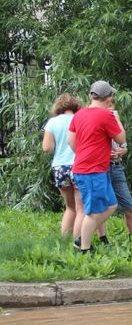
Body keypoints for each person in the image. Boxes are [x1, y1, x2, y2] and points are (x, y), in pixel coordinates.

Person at [67, 81, 127, 254]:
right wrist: (116, 118)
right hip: (91, 171)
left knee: (111, 205)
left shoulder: (79, 114)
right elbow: (121, 139)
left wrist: (86, 153)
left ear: (91, 96)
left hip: (91, 169)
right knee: (93, 212)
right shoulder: (106, 116)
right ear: (109, 98)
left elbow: (71, 141)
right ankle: (84, 248)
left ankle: (81, 239)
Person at [41, 93, 84, 237]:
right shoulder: (80, 119)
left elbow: (47, 148)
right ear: (77, 106)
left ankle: (64, 240)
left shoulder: (52, 123)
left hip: (59, 167)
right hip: (79, 166)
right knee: (81, 208)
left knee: (70, 207)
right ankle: (78, 242)